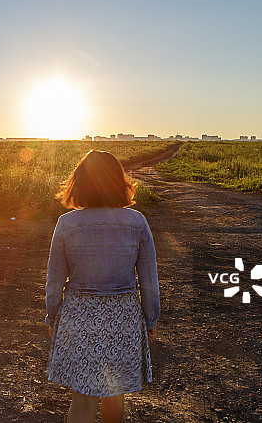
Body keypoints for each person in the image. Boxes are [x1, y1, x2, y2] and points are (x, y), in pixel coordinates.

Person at [46, 150, 160, 423]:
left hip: (79, 315)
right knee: (115, 391)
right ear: (119, 182)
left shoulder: (67, 223)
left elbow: (54, 280)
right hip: (124, 317)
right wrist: (151, 319)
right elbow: (149, 280)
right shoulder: (137, 222)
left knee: (82, 397)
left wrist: (52, 316)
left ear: (80, 183)